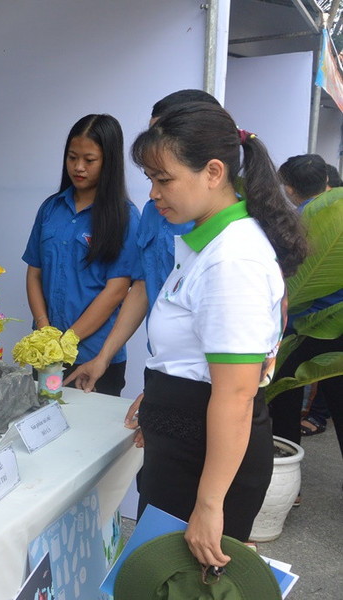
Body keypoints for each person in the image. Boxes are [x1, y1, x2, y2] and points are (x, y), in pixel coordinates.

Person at [130, 102, 307, 566]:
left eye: (162, 179)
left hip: (207, 466)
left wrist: (209, 506)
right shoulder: (206, 244)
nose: (153, 194)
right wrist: (158, 398)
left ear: (213, 172)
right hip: (190, 445)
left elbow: (236, 393)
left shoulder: (233, 259)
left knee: (179, 584)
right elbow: (192, 359)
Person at [65, 90, 221, 400]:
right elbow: (142, 287)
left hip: (205, 384)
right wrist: (103, 358)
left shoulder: (231, 233)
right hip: (162, 370)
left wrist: (173, 396)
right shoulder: (155, 210)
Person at [22, 114, 141, 396]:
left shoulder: (125, 216)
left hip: (95, 357)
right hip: (46, 354)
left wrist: (68, 340)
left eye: (89, 160)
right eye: (72, 157)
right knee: (45, 425)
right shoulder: (51, 209)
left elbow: (117, 290)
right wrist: (45, 330)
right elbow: (34, 272)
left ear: (108, 162)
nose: (78, 167)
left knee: (90, 436)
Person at [270, 154, 343, 463]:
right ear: (325, 183)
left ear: (288, 189)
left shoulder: (290, 227)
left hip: (294, 332)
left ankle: (289, 479)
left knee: (284, 401)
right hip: (335, 326)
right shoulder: (336, 216)